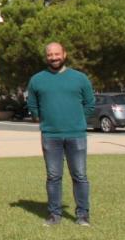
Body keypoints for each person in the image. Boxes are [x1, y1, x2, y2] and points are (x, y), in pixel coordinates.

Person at [26, 42, 95, 226]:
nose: (54, 57)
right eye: (50, 55)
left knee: (80, 175)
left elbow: (90, 104)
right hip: (50, 135)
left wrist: (78, 120)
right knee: (53, 176)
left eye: (57, 54)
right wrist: (45, 120)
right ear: (46, 56)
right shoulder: (37, 80)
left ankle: (82, 215)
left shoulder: (80, 78)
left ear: (64, 54)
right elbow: (32, 105)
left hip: (76, 135)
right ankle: (54, 215)